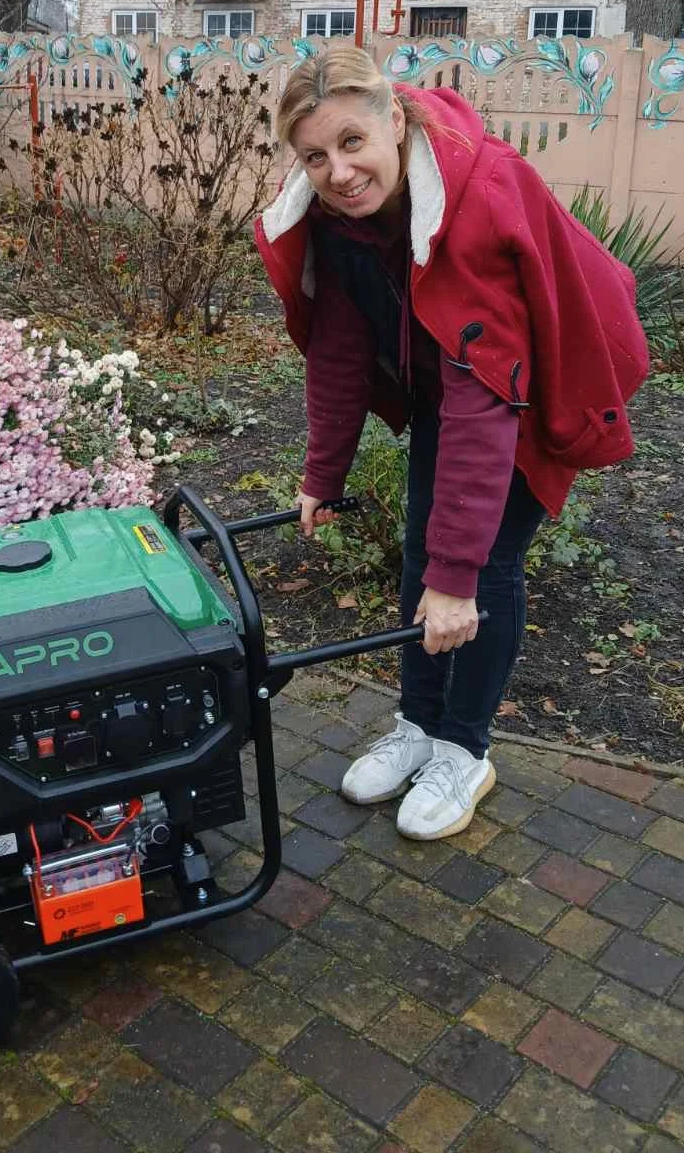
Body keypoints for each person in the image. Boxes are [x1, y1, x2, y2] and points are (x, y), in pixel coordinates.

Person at [254, 44, 648, 840]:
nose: (339, 173)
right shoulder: (336, 216)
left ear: (395, 122)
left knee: (479, 566)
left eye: (353, 142)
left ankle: (464, 750)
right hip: (457, 387)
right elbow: (338, 348)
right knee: (422, 549)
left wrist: (456, 578)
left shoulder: (477, 201)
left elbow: (485, 400)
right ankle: (419, 724)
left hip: (531, 392)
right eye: (316, 156)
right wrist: (323, 473)